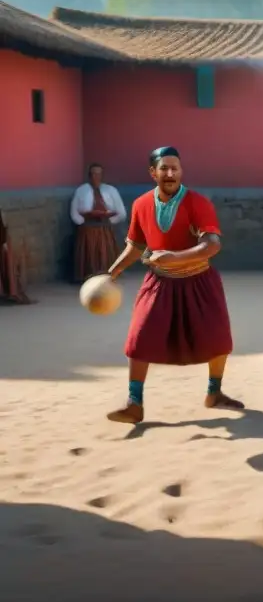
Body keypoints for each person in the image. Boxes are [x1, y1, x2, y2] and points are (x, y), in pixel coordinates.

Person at [105, 146, 242, 424]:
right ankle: (134, 403)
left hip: (200, 281)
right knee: (139, 338)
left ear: (181, 171)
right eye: (164, 168)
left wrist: (174, 257)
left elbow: (212, 245)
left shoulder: (198, 203)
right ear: (152, 173)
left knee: (217, 339)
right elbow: (136, 245)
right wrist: (113, 271)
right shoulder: (141, 204)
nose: (170, 173)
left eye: (175, 168)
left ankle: (214, 393)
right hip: (159, 282)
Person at [70, 163, 127, 283]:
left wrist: (110, 221)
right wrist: (81, 223)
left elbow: (121, 211)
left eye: (98, 174)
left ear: (102, 175)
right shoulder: (81, 190)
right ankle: (87, 276)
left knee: (105, 252)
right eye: (93, 174)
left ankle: (107, 276)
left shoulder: (111, 190)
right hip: (88, 228)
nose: (96, 177)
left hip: (105, 228)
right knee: (89, 253)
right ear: (89, 175)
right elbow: (74, 210)